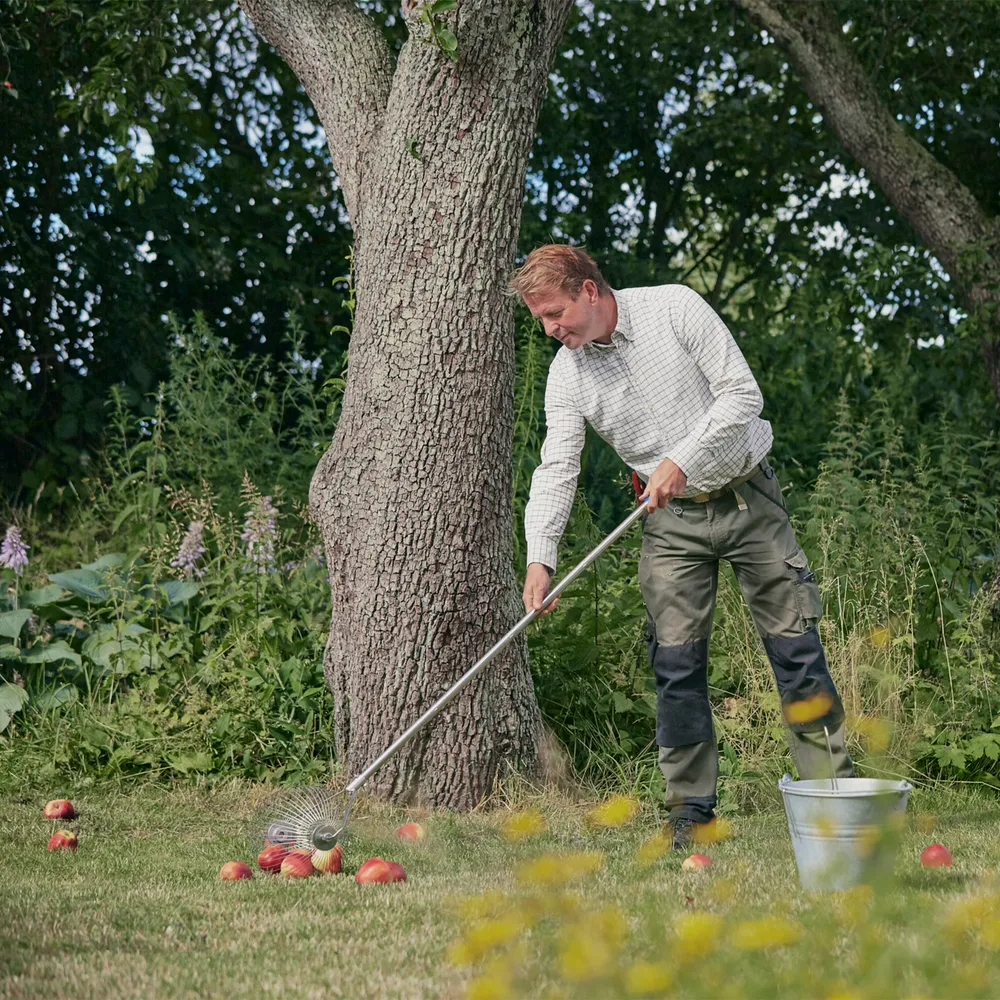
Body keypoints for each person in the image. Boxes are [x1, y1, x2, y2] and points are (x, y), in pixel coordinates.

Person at [510, 244, 854, 848]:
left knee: (796, 650)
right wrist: (541, 558)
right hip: (669, 523)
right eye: (540, 319)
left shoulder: (675, 308)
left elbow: (742, 396)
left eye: (555, 313)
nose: (550, 330)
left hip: (749, 499)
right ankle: (692, 817)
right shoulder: (568, 371)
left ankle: (832, 800)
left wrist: (682, 460)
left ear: (589, 291)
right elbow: (557, 465)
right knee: (676, 667)